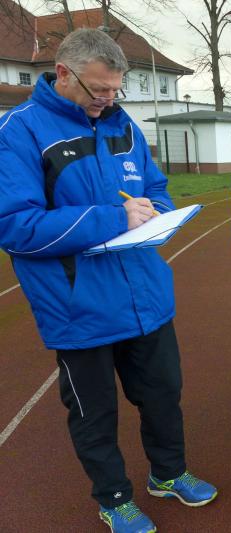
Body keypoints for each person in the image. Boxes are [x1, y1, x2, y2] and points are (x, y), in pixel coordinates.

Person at [0, 29, 216, 533]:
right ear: (63, 74)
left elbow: (156, 189)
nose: (109, 99)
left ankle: (168, 473)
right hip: (78, 307)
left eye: (116, 89)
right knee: (94, 413)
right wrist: (114, 219)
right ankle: (114, 498)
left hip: (146, 296)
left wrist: (155, 210)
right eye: (99, 90)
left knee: (162, 394)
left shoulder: (124, 125)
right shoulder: (19, 131)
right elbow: (14, 226)